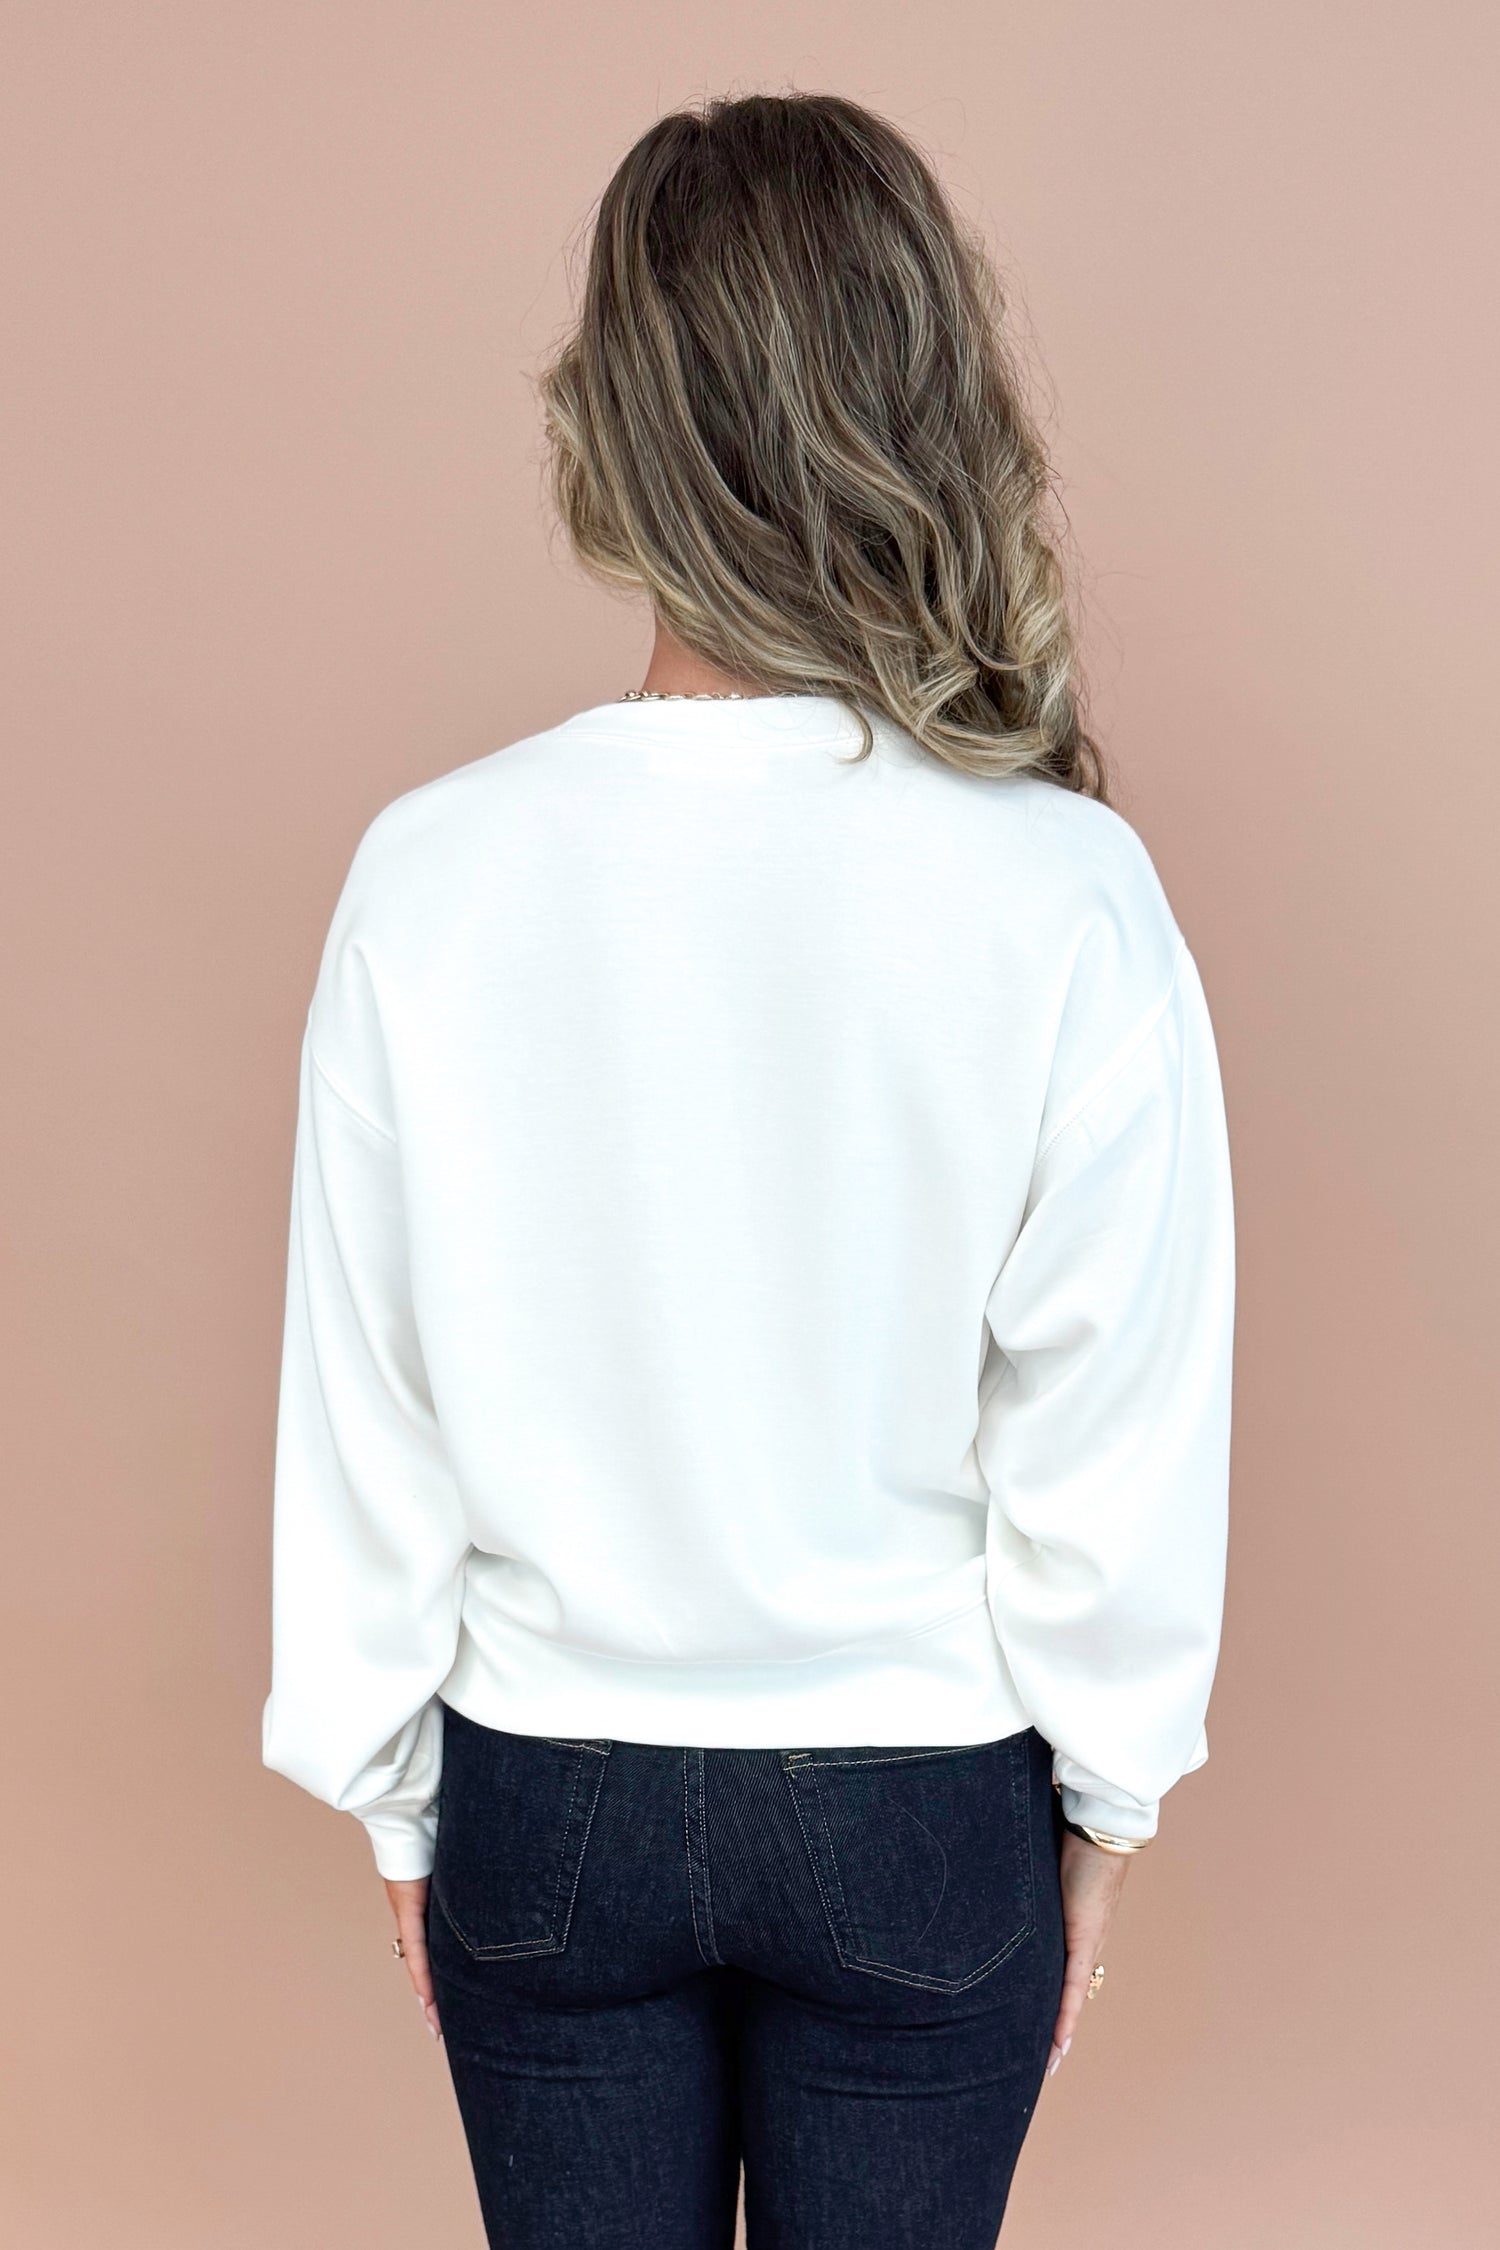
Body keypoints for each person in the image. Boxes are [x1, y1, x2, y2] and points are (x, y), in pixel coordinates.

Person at [261, 90, 1235, 2249]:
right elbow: (1113, 1411)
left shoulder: (431, 874)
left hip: (546, 1797)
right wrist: (1109, 1800)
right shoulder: (1064, 891)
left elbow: (366, 1385)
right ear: (926, 397)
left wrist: (396, 1796)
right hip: (922, 1805)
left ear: (607, 421)